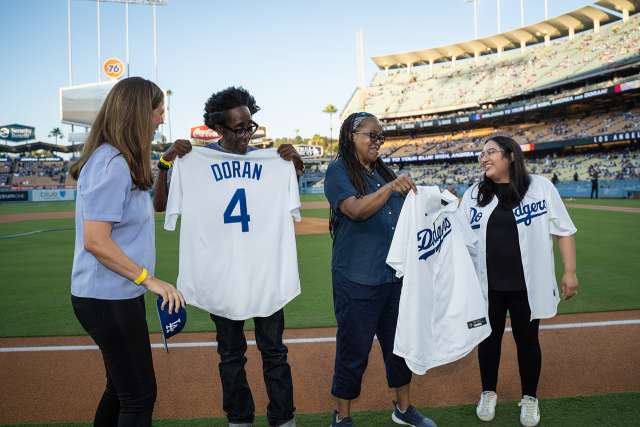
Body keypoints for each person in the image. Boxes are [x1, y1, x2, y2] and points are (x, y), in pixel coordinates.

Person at [154, 86, 303, 427]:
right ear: (219, 129)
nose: (247, 134)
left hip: (265, 272)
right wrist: (166, 162)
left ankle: (283, 418)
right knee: (231, 355)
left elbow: (290, 190)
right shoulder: (196, 160)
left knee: (275, 352)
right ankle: (240, 419)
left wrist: (294, 165)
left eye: (250, 126)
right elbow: (162, 207)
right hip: (222, 276)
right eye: (239, 128)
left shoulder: (270, 160)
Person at [69, 76, 186, 426]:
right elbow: (96, 240)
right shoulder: (111, 163)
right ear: (138, 113)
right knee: (139, 397)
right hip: (107, 298)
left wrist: (165, 164)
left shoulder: (121, 160)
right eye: (158, 112)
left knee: (120, 390)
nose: (161, 119)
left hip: (116, 295)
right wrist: (148, 280)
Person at [324, 111, 437, 427]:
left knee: (399, 347)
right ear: (351, 135)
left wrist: (437, 202)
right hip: (356, 278)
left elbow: (410, 215)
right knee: (353, 352)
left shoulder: (383, 173)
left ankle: (403, 409)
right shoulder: (338, 171)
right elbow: (356, 210)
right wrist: (391, 188)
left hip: (393, 277)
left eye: (380, 137)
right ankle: (342, 416)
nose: (377, 141)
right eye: (371, 135)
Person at [459, 136, 578, 427]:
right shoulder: (474, 193)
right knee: (488, 342)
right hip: (488, 286)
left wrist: (570, 271)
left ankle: (529, 398)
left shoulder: (540, 187)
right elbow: (458, 239)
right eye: (481, 154)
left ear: (511, 156)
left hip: (528, 286)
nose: (484, 158)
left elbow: (564, 230)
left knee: (528, 343)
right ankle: (488, 392)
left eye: (491, 152)